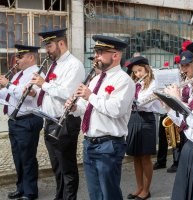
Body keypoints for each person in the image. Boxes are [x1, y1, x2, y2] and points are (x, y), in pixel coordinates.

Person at [65, 35, 135, 200]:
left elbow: (116, 110)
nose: (96, 55)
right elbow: (86, 107)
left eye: (101, 52)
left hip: (109, 145)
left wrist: (90, 96)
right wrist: (75, 106)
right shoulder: (96, 78)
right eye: (96, 51)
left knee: (109, 193)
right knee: (95, 193)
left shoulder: (124, 81)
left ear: (115, 55)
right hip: (89, 143)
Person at [29, 28, 85, 200]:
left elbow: (67, 92)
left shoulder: (74, 65)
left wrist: (43, 84)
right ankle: (59, 196)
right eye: (46, 46)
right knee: (57, 166)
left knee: (67, 167)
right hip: (51, 121)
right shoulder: (55, 64)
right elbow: (50, 94)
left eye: (50, 46)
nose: (47, 50)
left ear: (61, 43)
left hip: (66, 122)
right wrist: (35, 92)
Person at [0, 44, 44, 200]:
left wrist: (8, 84)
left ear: (31, 57)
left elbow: (27, 94)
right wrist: (3, 88)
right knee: (18, 157)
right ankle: (21, 188)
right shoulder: (19, 75)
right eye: (17, 56)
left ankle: (30, 192)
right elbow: (7, 93)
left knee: (27, 157)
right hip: (16, 121)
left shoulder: (36, 73)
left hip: (28, 120)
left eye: (20, 56)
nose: (16, 59)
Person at [163, 48, 193, 200]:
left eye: (187, 65)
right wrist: (168, 106)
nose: (183, 69)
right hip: (190, 147)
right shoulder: (192, 88)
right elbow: (186, 122)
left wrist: (177, 100)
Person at [126, 56, 163, 200]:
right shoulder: (134, 84)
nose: (138, 75)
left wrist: (132, 100)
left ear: (147, 69)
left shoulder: (153, 83)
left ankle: (146, 190)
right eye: (135, 72)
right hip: (133, 119)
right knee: (135, 156)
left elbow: (145, 103)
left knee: (145, 157)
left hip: (146, 120)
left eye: (140, 70)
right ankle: (139, 187)